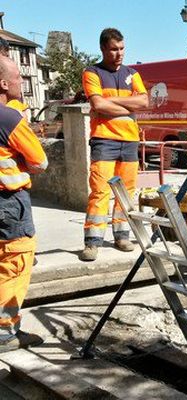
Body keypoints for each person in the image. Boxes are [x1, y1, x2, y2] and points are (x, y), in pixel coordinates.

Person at [80, 28, 148, 261]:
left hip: (129, 140)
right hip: (104, 139)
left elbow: (144, 101)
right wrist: (129, 105)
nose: (119, 54)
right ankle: (92, 242)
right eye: (113, 49)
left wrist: (112, 101)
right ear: (102, 49)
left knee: (126, 192)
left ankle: (122, 236)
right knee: (100, 191)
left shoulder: (132, 73)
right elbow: (98, 105)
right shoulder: (92, 72)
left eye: (122, 49)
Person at [0, 55, 48, 352]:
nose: (22, 82)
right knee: (15, 263)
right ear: (4, 83)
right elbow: (40, 161)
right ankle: (5, 331)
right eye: (19, 77)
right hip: (9, 201)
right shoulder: (8, 117)